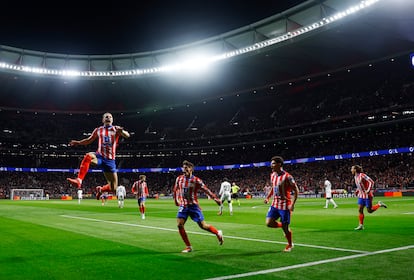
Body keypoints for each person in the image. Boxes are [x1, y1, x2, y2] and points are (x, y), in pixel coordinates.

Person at [66, 112, 130, 200]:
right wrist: (78, 143)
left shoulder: (116, 129)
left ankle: (101, 189)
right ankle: (79, 180)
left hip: (110, 161)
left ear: (112, 120)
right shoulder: (98, 130)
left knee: (113, 188)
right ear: (103, 120)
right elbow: (89, 140)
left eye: (110, 117)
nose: (108, 118)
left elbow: (127, 135)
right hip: (99, 156)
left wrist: (122, 131)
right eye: (106, 117)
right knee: (88, 156)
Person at [173, 160, 224, 253]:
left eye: (186, 168)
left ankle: (218, 233)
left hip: (193, 206)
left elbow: (206, 190)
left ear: (191, 169)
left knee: (203, 226)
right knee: (179, 225)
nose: (184, 170)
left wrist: (215, 199)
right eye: (183, 168)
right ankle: (188, 246)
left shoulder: (196, 180)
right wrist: (176, 200)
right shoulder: (179, 179)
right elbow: (175, 189)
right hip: (183, 206)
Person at [264, 156, 299, 252]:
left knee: (286, 228)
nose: (271, 165)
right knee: (269, 223)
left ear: (279, 164)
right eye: (271, 163)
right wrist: (268, 197)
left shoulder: (288, 177)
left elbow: (296, 190)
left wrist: (292, 204)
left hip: (285, 205)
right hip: (275, 204)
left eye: (273, 163)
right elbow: (273, 187)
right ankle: (283, 226)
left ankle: (290, 244)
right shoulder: (272, 175)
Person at [351, 165, 387, 230]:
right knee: (360, 210)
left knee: (369, 210)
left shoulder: (362, 175)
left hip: (368, 195)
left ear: (355, 170)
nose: (351, 170)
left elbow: (371, 181)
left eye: (352, 169)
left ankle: (379, 204)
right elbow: (360, 186)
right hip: (361, 196)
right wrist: (357, 191)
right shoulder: (355, 177)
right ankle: (361, 225)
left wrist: (368, 190)